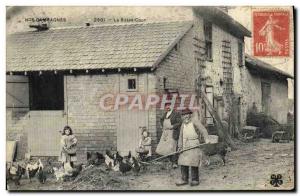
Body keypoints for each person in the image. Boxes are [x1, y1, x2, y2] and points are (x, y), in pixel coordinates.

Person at [176, 109, 209, 186]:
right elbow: (180, 136)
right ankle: (184, 179)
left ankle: (195, 180)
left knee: (194, 162)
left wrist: (206, 139)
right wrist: (180, 146)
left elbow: (203, 130)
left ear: (190, 115)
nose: (186, 116)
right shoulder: (182, 124)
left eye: (187, 114)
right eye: (184, 115)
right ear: (182, 117)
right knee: (183, 162)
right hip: (185, 145)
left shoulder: (195, 122)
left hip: (194, 144)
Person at [156, 102, 182, 168]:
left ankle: (175, 163)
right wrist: (163, 126)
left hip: (173, 132)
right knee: (166, 148)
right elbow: (161, 120)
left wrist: (172, 126)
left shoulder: (176, 114)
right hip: (166, 133)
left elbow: (179, 122)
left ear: (172, 106)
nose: (167, 107)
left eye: (169, 106)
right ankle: (170, 161)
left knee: (173, 147)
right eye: (166, 106)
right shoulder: (165, 114)